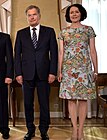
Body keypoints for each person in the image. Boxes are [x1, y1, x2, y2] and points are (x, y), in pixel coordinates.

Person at [14, 5, 58, 140]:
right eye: (29, 15)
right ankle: (30, 129)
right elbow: (17, 55)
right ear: (27, 17)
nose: (32, 17)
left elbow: (54, 54)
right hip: (26, 74)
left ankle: (44, 130)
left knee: (44, 103)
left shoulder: (49, 32)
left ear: (39, 16)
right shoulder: (21, 33)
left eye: (34, 14)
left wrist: (52, 72)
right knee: (28, 104)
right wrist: (18, 73)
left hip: (44, 74)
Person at [58, 4, 98, 140]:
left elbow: (92, 50)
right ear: (68, 16)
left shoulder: (88, 30)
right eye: (71, 13)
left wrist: (95, 70)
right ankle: (74, 129)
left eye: (76, 12)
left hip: (84, 69)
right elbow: (61, 52)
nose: (74, 14)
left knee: (82, 99)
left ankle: (81, 130)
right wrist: (59, 71)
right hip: (68, 69)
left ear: (81, 13)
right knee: (70, 100)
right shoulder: (63, 32)